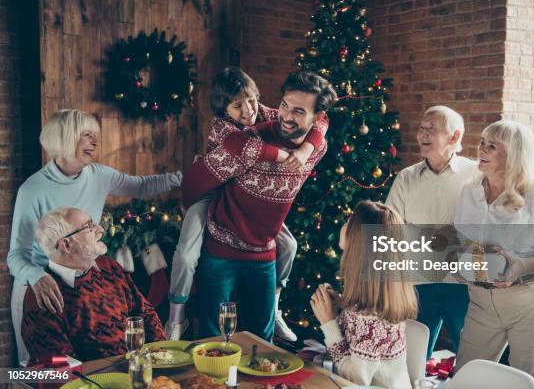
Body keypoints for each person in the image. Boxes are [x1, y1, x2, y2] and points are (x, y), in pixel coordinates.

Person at [8, 109, 181, 364]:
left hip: (86, 280)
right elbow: (16, 255)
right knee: (47, 372)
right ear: (65, 138)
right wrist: (37, 277)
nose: (95, 142)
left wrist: (189, 176)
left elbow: (143, 186)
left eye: (95, 136)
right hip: (42, 288)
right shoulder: (32, 190)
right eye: (86, 136)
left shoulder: (98, 175)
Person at [167, 67, 327, 342]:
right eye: (237, 105)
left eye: (251, 100)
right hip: (207, 188)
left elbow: (322, 122)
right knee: (186, 254)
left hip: (259, 239)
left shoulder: (269, 115)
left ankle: (275, 308)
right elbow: (245, 148)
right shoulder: (223, 128)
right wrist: (286, 155)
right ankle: (175, 318)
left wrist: (306, 149)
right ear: (223, 108)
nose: (247, 109)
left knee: (289, 245)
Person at [454, 120, 534, 389]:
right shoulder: (469, 192)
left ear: (513, 154)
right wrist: (461, 264)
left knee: (528, 383)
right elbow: (461, 243)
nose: (482, 149)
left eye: (492, 146)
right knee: (465, 379)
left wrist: (523, 265)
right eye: (482, 142)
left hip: (532, 304)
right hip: (481, 301)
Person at [385, 105, 479, 358]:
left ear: (455, 137)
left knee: (470, 353)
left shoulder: (476, 174)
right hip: (418, 283)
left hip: (462, 284)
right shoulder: (406, 178)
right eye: (421, 128)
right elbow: (391, 228)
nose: (423, 134)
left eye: (432, 129)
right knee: (413, 355)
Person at [21, 207, 166, 362]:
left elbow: (145, 314)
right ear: (66, 245)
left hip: (139, 368)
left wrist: (161, 357)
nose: (100, 229)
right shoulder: (43, 296)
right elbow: (61, 365)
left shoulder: (109, 266)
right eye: (89, 226)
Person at [310, 201, 418, 389]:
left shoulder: (369, 318)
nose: (344, 224)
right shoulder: (374, 299)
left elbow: (354, 381)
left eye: (350, 221)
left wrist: (329, 323)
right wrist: (337, 305)